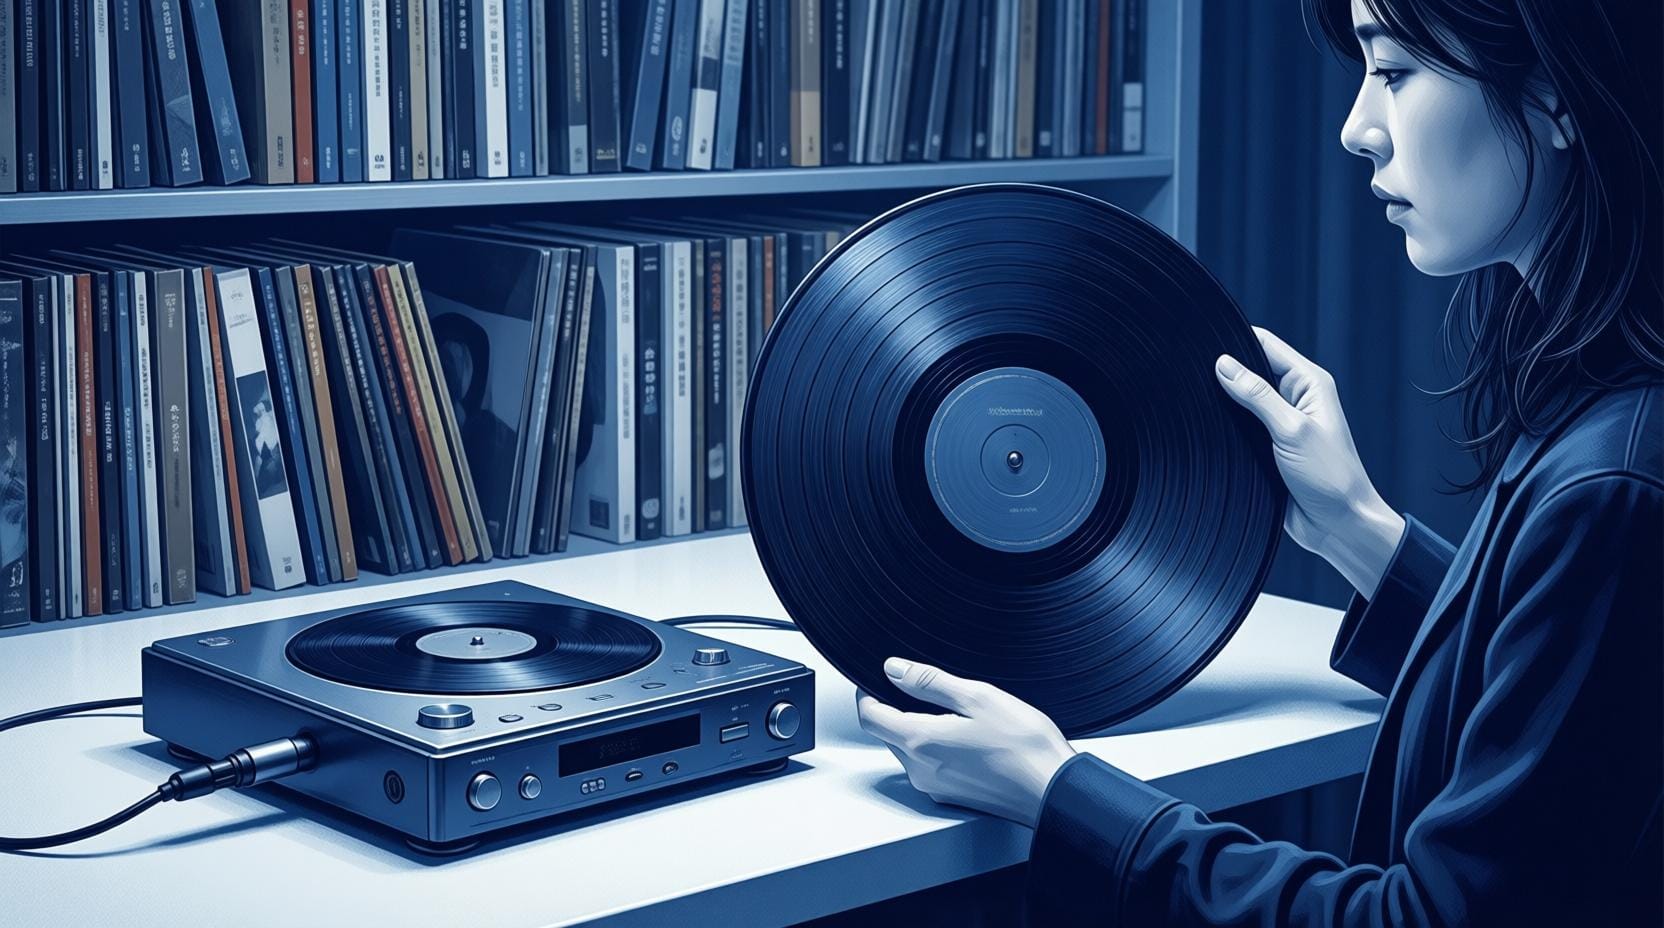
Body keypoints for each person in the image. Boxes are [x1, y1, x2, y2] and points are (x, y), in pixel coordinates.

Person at [855, 0, 1662, 923]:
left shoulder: (1617, 484)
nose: (1357, 129)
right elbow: (1552, 698)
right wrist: (1355, 528)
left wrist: (1057, 793)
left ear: (1556, 93)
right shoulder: (1607, 414)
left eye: (1394, 72)